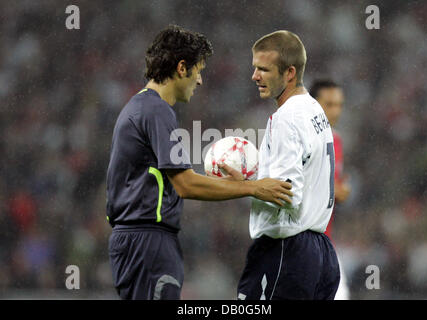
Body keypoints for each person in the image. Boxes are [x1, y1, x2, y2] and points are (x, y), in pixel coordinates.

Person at [105, 25, 293, 300]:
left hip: (140, 240)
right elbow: (185, 184)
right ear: (182, 68)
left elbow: (181, 181)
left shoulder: (141, 107)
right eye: (199, 70)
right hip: (147, 242)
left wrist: (230, 185)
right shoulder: (156, 110)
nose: (201, 80)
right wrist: (253, 188)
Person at [236, 30, 340, 300]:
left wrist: (242, 186)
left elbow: (286, 193)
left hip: (287, 251)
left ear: (289, 72)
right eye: (254, 68)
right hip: (321, 254)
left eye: (264, 69)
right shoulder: (316, 111)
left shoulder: (286, 117)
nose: (255, 76)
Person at [310, 80, 351, 300]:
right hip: (301, 241)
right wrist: (334, 190)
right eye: (329, 104)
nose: (335, 110)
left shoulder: (336, 139)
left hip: (324, 240)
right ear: (313, 105)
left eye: (339, 104)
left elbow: (332, 187)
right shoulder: (303, 139)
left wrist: (339, 191)